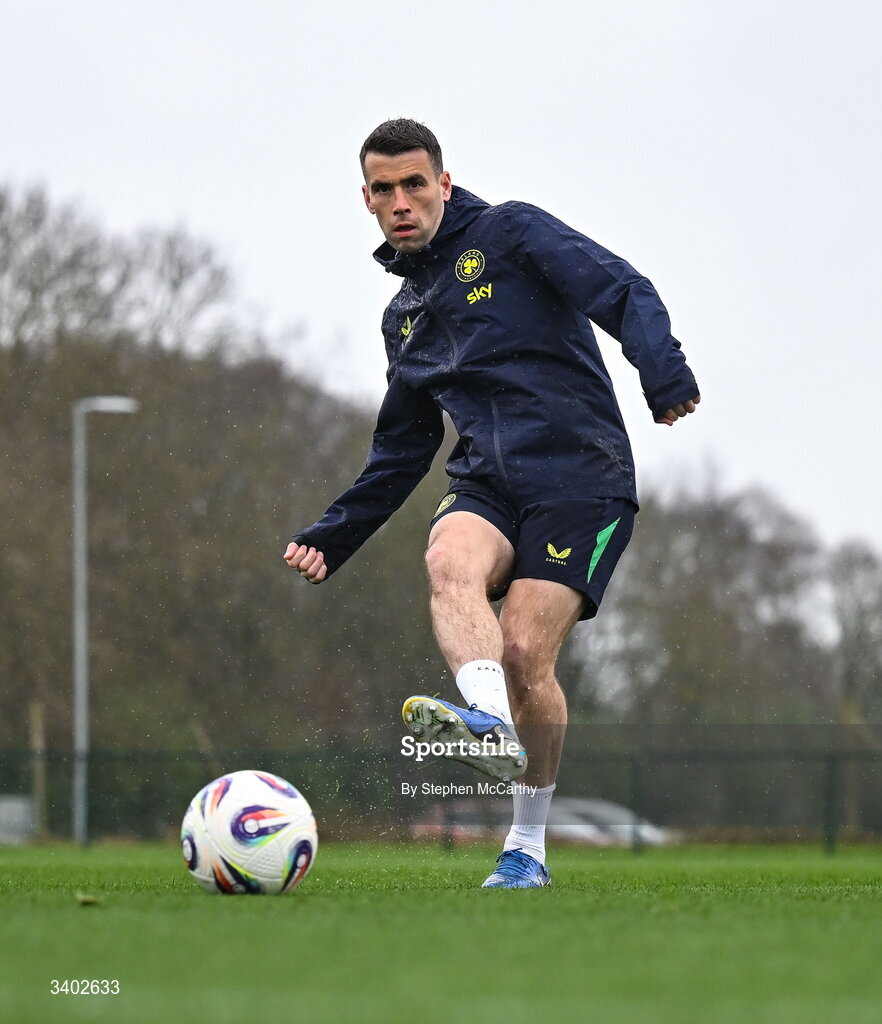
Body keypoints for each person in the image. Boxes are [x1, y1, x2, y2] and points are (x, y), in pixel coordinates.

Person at [284, 118, 699, 888]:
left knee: (522, 653)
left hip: (584, 478)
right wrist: (334, 534)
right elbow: (404, 448)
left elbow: (620, 287)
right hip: (487, 484)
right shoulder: (403, 318)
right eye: (384, 189)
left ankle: (527, 848)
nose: (401, 200)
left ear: (443, 183)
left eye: (415, 184)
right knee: (446, 559)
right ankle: (485, 720)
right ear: (366, 199)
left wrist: (663, 373)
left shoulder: (513, 233)